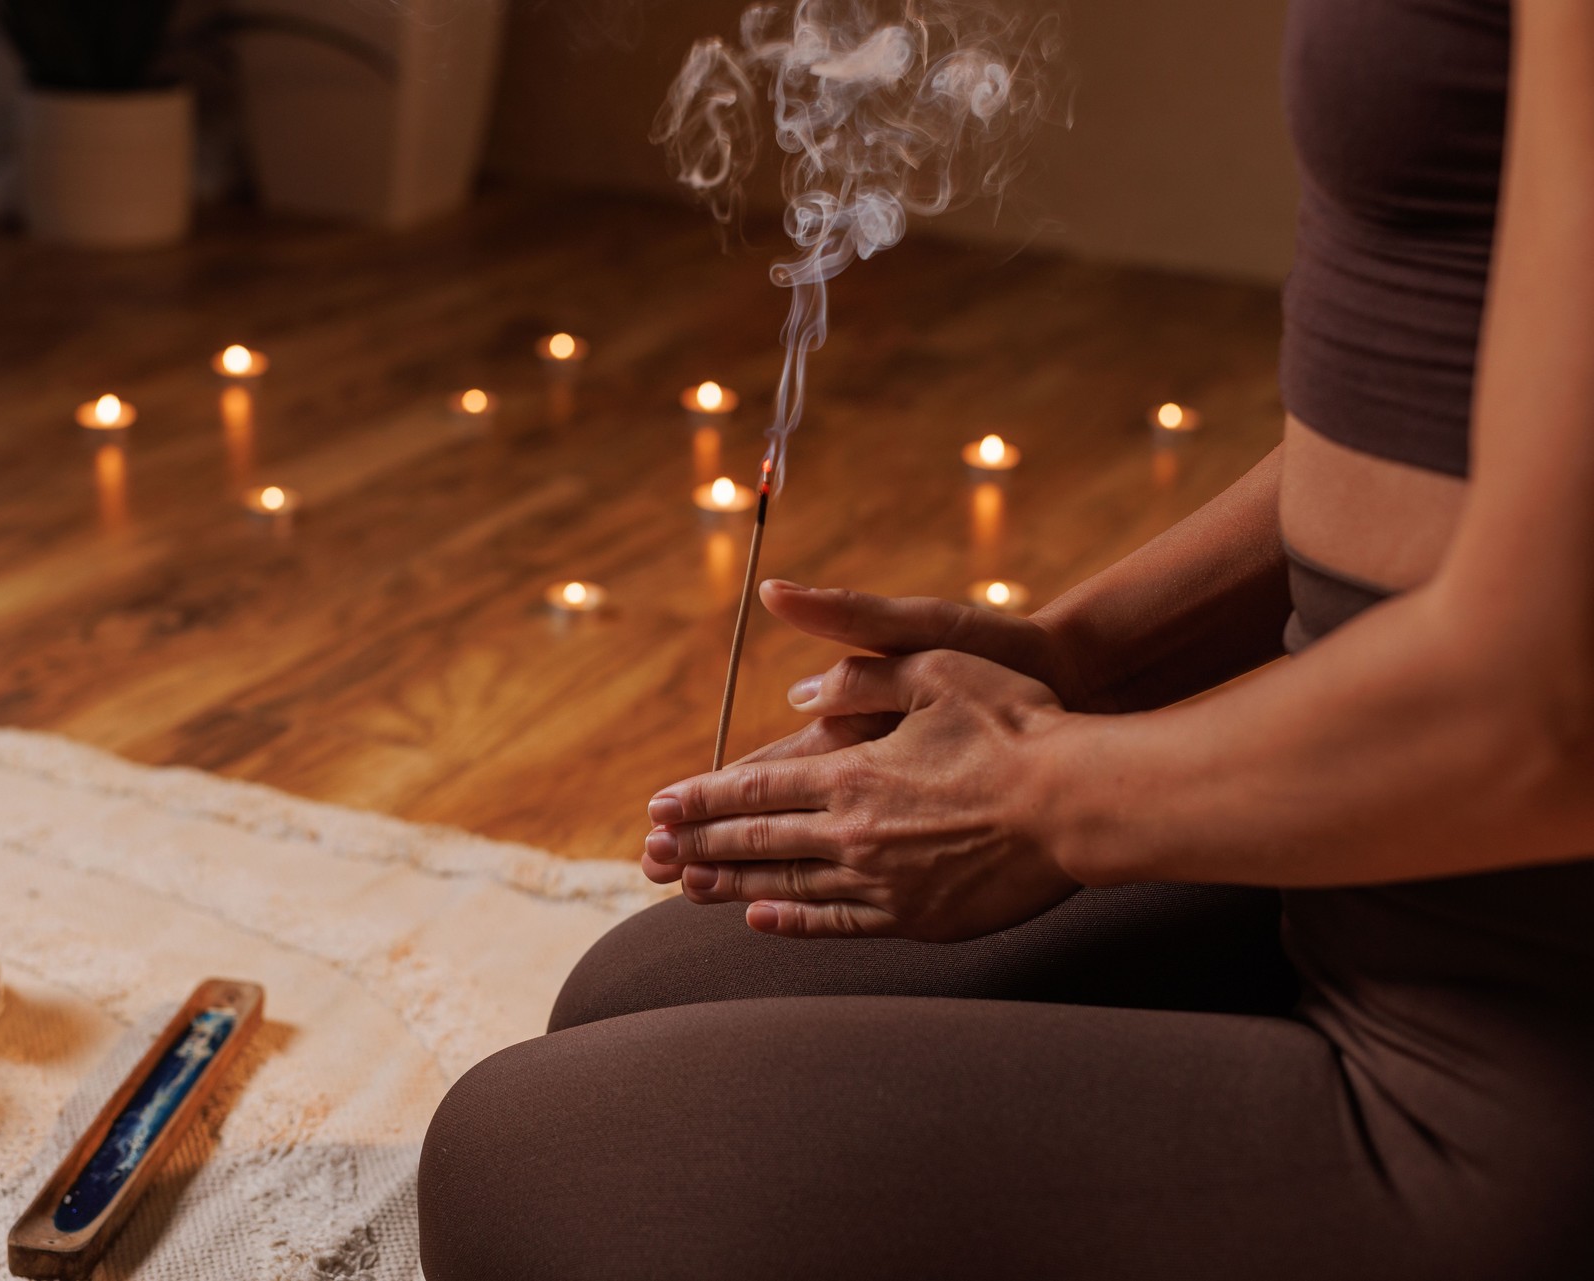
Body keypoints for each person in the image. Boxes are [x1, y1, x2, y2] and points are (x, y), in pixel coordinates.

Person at [418, 1, 1594, 1275]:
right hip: (1363, 845)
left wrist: (1044, 795)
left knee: (531, 1162)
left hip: (1526, 1022)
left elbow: (1553, 718)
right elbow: (1443, 384)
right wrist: (1080, 655)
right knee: (640, 998)